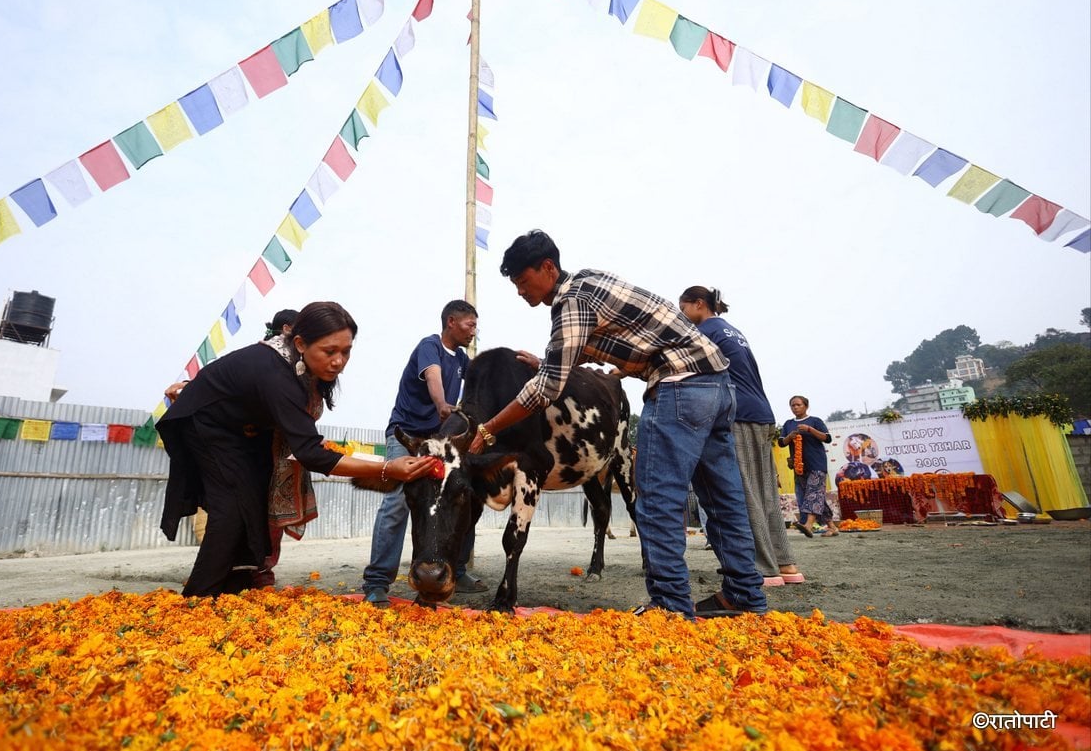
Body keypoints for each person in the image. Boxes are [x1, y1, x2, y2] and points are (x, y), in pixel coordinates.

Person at [468, 230, 766, 619]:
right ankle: (744, 595)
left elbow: (546, 391)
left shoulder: (570, 302)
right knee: (722, 499)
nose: (521, 292)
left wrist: (488, 429)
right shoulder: (588, 281)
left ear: (547, 268)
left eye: (523, 281)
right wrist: (550, 364)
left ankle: (670, 605)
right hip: (718, 387)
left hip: (677, 385)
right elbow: (588, 354)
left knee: (657, 499)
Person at [158, 301, 436, 597]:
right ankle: (199, 598)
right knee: (231, 509)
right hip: (206, 426)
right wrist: (385, 468)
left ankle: (235, 590)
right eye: (330, 352)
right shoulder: (277, 373)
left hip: (247, 434)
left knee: (253, 506)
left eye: (346, 351)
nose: (339, 361)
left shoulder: (303, 370)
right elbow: (311, 453)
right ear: (301, 343)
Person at [361, 300, 486, 607]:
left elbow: (481, 383)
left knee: (461, 496)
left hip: (441, 440)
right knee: (397, 504)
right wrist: (443, 405)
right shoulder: (430, 347)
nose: (474, 331)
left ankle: (454, 570)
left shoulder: (461, 359)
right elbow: (433, 379)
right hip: (407, 437)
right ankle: (377, 581)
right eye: (470, 324)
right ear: (451, 322)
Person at [165, 307, 301, 587]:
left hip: (253, 442)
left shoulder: (290, 363)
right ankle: (202, 592)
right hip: (212, 430)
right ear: (290, 332)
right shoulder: (270, 358)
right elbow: (228, 387)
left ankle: (241, 578)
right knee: (230, 507)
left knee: (254, 506)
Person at [679, 286, 804, 586]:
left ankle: (763, 568)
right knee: (766, 492)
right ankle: (785, 563)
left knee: (744, 491)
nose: (681, 315)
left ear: (699, 304)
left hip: (739, 415)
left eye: (682, 308)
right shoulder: (732, 330)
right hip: (762, 413)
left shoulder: (705, 331)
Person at [779, 395, 839, 538]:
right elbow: (782, 442)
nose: (795, 407)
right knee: (816, 496)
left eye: (798, 405)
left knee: (813, 493)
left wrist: (809, 429)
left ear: (806, 406)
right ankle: (832, 527)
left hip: (816, 464)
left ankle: (808, 525)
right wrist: (790, 436)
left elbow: (827, 438)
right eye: (793, 405)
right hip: (799, 466)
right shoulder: (788, 424)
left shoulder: (815, 421)